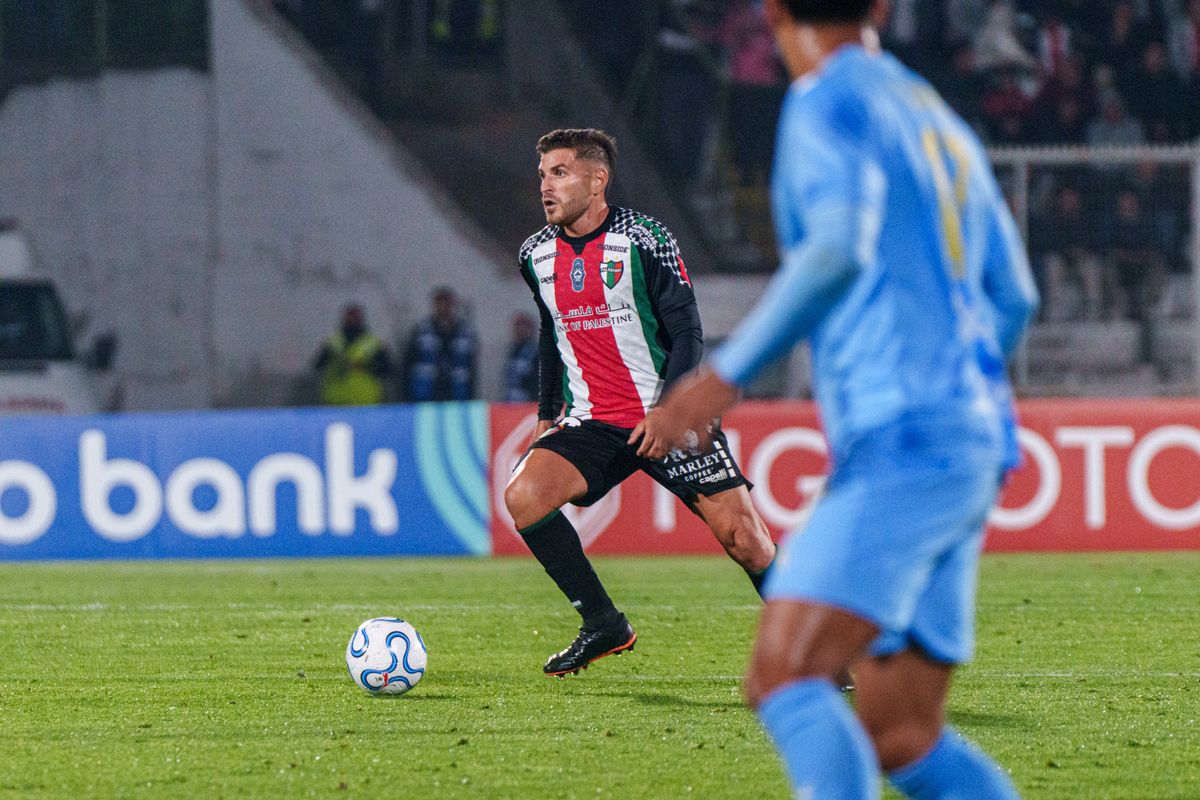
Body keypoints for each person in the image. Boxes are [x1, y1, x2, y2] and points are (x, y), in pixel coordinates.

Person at [653, 2, 1038, 798]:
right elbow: (1016, 296)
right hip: (967, 438)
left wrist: (722, 378)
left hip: (903, 439)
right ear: (884, 8)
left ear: (771, 12)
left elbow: (834, 251)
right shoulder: (936, 117)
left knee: (786, 675)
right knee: (901, 734)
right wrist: (954, 389)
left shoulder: (826, 100)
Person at [506, 127, 777, 678]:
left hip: (666, 416)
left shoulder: (644, 239)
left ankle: (818, 651)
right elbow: (549, 332)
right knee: (525, 496)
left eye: (559, 173)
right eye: (542, 175)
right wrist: (545, 413)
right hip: (593, 420)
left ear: (597, 178)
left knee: (747, 541)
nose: (546, 186)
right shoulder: (534, 254)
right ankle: (604, 624)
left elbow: (688, 332)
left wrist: (672, 411)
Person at [401, 287, 478, 402]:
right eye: (439, 303)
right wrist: (406, 395)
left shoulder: (465, 333)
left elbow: (471, 367)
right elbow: (408, 364)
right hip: (426, 395)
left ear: (453, 305)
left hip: (457, 395)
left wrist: (471, 396)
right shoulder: (421, 331)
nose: (443, 308)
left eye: (447, 303)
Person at [312, 303, 390, 406]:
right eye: (350, 316)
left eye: (355, 317)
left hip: (365, 401)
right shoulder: (333, 342)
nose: (352, 320)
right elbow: (318, 366)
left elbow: (388, 369)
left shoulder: (373, 343)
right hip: (336, 400)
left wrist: (367, 366)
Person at [502, 312, 539, 402]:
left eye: (524, 327)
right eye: (518, 327)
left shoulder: (536, 352)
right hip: (511, 399)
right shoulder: (513, 351)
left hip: (528, 400)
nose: (521, 331)